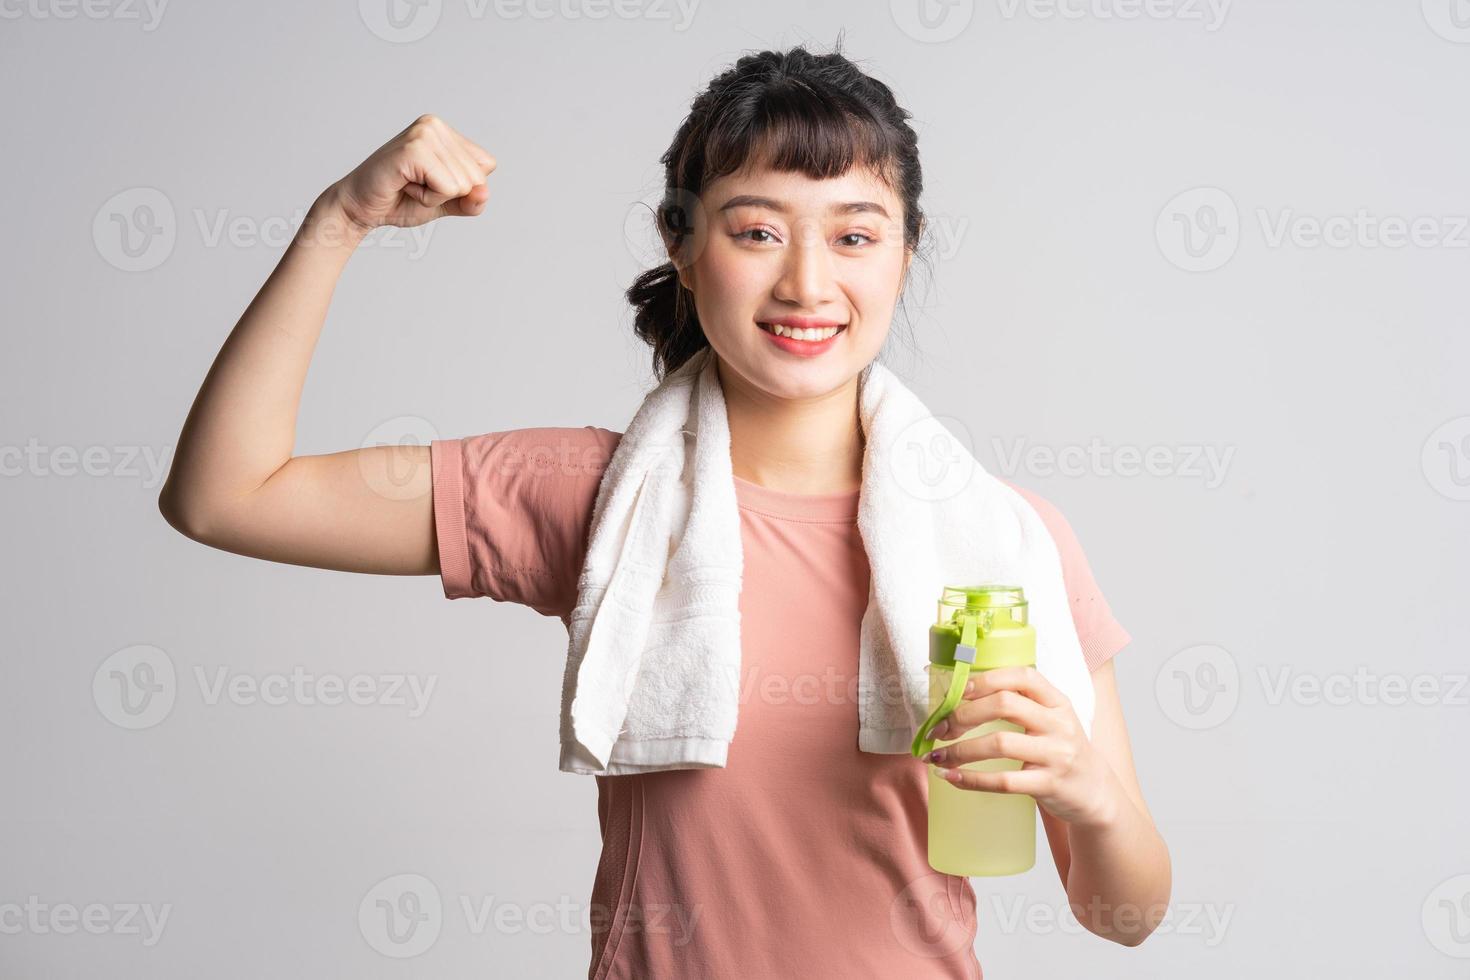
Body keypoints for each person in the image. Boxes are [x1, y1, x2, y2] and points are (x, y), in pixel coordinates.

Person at [160, 41, 1170, 980]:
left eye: (856, 233)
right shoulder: (605, 500)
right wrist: (339, 220)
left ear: (904, 254)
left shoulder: (1005, 543)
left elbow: (1124, 915)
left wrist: (1086, 790)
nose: (808, 280)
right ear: (683, 247)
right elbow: (223, 495)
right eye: (758, 230)